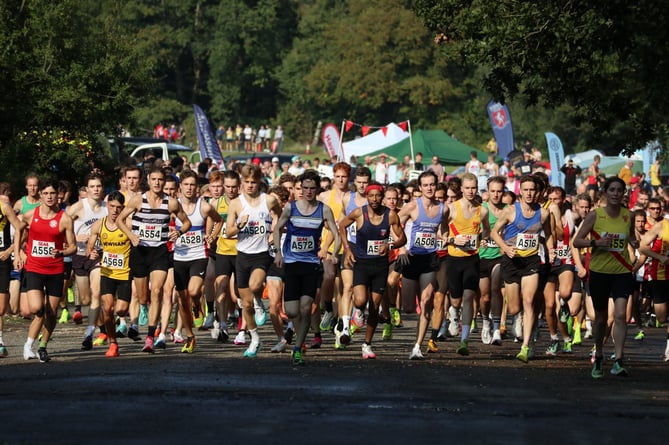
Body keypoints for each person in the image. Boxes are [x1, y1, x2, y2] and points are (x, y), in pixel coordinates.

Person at [116, 166, 192, 354]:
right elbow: (119, 219)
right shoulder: (137, 200)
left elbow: (187, 222)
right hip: (140, 252)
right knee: (143, 297)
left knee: (157, 291)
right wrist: (131, 236)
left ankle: (150, 337)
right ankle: (144, 308)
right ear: (148, 180)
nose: (157, 183)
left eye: (160, 180)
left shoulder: (171, 203)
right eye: (154, 179)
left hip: (159, 252)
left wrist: (178, 232)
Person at [273, 170, 340, 364]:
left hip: (311, 265)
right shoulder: (291, 208)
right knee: (292, 310)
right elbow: (277, 229)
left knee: (305, 308)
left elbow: (336, 234)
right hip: (292, 264)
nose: (309, 192)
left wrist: (332, 253)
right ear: (300, 189)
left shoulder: (324, 209)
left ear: (317, 189)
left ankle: (297, 348)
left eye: (312, 188)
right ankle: (300, 336)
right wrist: (278, 251)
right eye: (305, 188)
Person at [573, 176, 635, 378]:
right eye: (612, 190)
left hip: (622, 273)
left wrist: (639, 248)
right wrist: (596, 244)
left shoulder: (629, 216)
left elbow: (631, 238)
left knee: (619, 316)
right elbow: (577, 242)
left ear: (623, 193)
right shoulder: (595, 215)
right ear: (605, 193)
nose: (616, 194)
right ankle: (598, 354)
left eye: (620, 190)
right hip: (599, 273)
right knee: (599, 319)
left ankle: (618, 359)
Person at [339, 182, 406, 359]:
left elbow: (402, 238)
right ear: (367, 197)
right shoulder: (359, 213)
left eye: (378, 196)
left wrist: (389, 244)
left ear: (382, 197)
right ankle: (357, 312)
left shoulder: (390, 215)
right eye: (371, 196)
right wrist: (347, 248)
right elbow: (341, 226)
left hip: (380, 266)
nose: (374, 199)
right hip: (361, 263)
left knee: (375, 307)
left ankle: (367, 344)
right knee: (360, 300)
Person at [490, 175, 552, 363]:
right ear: (520, 191)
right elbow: (494, 232)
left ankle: (526, 345)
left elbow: (548, 235)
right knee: (515, 307)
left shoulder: (543, 213)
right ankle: (520, 322)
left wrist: (550, 252)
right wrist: (506, 247)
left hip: (531, 261)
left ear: (537, 192)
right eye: (525, 189)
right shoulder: (510, 211)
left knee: (529, 300)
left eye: (532, 189)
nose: (529, 193)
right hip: (511, 262)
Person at [225, 164, 282, 357]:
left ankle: (259, 299)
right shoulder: (236, 203)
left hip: (261, 254)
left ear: (259, 182)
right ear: (242, 182)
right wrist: (240, 225)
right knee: (245, 305)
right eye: (247, 182)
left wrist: (274, 232)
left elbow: (280, 217)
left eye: (254, 182)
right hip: (242, 255)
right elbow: (228, 231)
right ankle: (255, 339)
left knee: (255, 284)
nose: (250, 185)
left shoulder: (269, 200)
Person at [19, 180, 77, 362]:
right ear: (41, 196)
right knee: (36, 308)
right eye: (46, 194)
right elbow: (19, 234)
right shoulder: (29, 215)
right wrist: (18, 253)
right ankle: (28, 344)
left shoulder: (64, 218)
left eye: (53, 194)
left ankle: (41, 346)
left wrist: (62, 251)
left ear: (57, 196)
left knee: (51, 312)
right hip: (34, 268)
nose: (50, 197)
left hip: (55, 270)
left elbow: (73, 247)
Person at [397, 170, 446, 360]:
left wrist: (448, 238)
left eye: (432, 184)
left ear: (437, 184)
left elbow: (443, 229)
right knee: (409, 308)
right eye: (425, 185)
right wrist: (401, 248)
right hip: (411, 258)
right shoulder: (411, 207)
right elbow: (395, 226)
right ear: (420, 187)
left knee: (426, 301)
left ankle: (417, 345)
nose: (429, 188)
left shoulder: (443, 208)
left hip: (430, 258)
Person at [172, 169, 222, 353]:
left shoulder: (204, 206)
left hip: (198, 255)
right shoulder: (173, 205)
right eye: (186, 184)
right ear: (180, 187)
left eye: (193, 184)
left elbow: (219, 221)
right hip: (179, 257)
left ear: (197, 187)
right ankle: (190, 337)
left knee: (193, 291)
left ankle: (197, 306)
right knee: (181, 299)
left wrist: (211, 236)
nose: (189, 188)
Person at [444, 173, 490, 355]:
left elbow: (487, 230)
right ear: (461, 189)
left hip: (472, 258)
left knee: (469, 297)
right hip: (454, 259)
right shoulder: (451, 209)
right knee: (455, 300)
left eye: (474, 188)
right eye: (467, 188)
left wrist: (483, 239)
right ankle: (453, 313)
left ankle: (464, 340)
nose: (471, 191)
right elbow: (440, 234)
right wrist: (454, 239)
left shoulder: (483, 210)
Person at [85, 191, 131, 357]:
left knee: (121, 311)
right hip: (107, 272)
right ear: (107, 206)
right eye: (112, 206)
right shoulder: (98, 225)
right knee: (108, 308)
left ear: (123, 208)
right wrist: (91, 253)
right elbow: (90, 247)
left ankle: (123, 324)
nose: (115, 211)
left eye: (119, 208)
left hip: (125, 273)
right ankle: (113, 343)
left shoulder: (128, 224)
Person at [67, 172, 107, 350]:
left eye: (98, 186)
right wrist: (75, 238)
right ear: (87, 189)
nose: (96, 190)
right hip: (80, 255)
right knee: (85, 299)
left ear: (103, 188)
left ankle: (89, 333)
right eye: (92, 187)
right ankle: (103, 326)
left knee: (96, 294)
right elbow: (62, 226)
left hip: (99, 257)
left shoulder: (108, 208)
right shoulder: (78, 207)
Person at [478, 176, 506, 346]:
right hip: (482, 256)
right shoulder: (481, 209)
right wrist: (478, 238)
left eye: (499, 191)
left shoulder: (508, 210)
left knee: (496, 288)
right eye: (493, 191)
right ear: (487, 192)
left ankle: (497, 327)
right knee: (485, 296)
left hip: (499, 256)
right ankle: (485, 321)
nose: (496, 195)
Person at [639, 212, 669, 361]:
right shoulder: (660, 226)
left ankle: (668, 348)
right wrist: (660, 257)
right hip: (661, 275)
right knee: (662, 318)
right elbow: (643, 247)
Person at [0, 194, 26, 358]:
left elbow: (21, 229)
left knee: (1, 308)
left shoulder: (3, 206)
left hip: (2, 260)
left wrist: (11, 252)